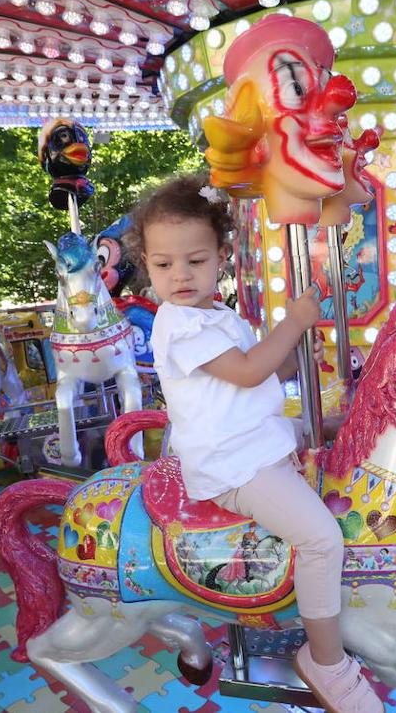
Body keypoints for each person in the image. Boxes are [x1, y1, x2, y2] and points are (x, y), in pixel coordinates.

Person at [131, 175, 380, 713]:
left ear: (221, 257)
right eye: (163, 265)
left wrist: (301, 341)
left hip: (256, 435)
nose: (179, 276)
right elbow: (248, 372)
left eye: (194, 261)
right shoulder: (178, 326)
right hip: (234, 464)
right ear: (147, 265)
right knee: (321, 539)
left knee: (348, 435)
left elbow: (272, 368)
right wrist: (291, 324)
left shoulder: (217, 315)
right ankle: (325, 661)